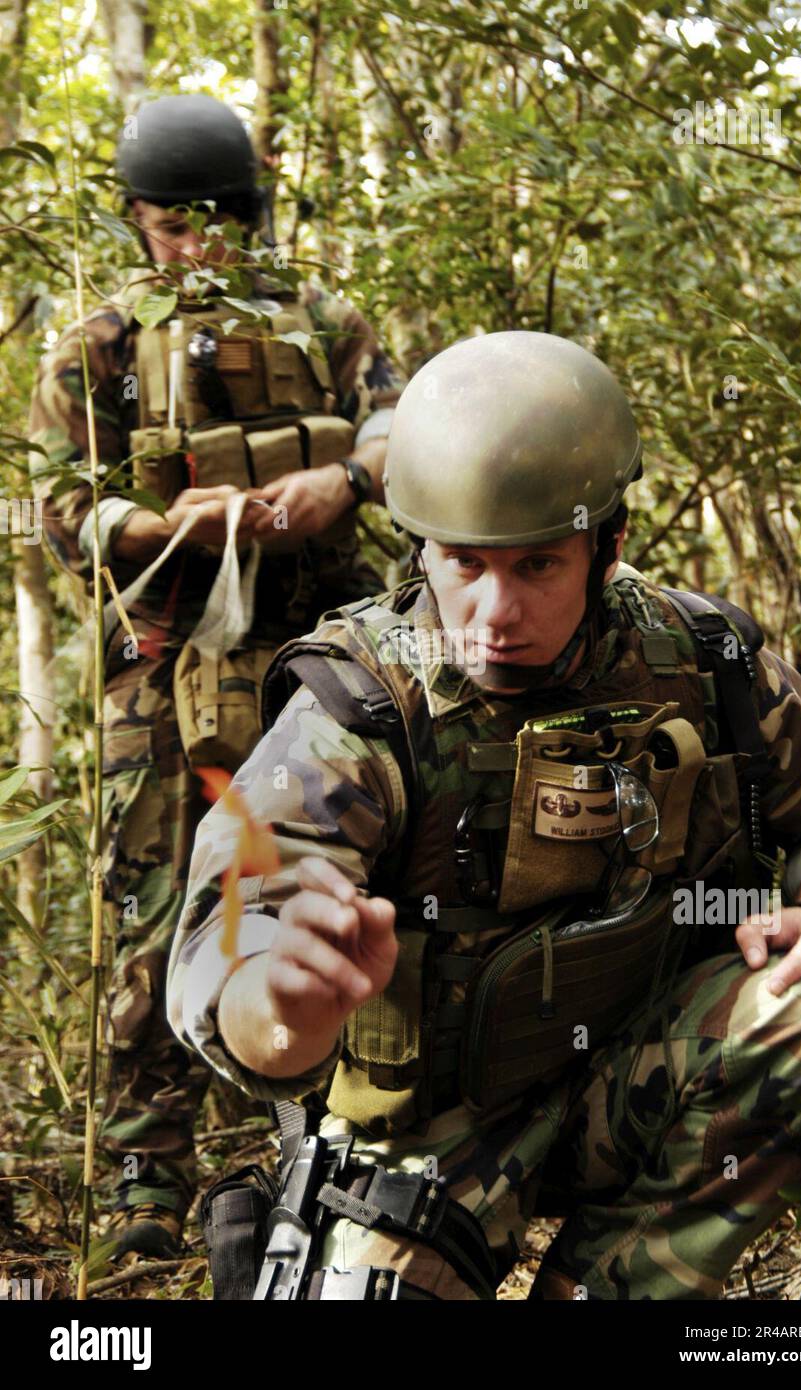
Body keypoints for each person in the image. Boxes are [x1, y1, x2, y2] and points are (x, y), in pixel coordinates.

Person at [166, 331, 801, 1300]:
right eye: (463, 563)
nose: (495, 612)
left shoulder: (699, 656)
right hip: (425, 1140)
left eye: (538, 566)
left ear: (607, 543)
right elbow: (224, 939)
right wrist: (280, 1005)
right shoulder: (359, 709)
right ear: (420, 549)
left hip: (633, 1079)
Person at [28, 93, 404, 1258]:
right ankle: (147, 1161)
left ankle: (312, 1135)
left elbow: (404, 428)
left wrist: (341, 485)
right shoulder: (97, 345)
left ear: (250, 215)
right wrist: (154, 526)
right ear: (137, 224)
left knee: (313, 870)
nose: (193, 250)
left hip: (317, 652)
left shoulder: (323, 317)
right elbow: (55, 508)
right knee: (150, 887)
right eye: (168, 228)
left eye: (212, 225)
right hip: (163, 656)